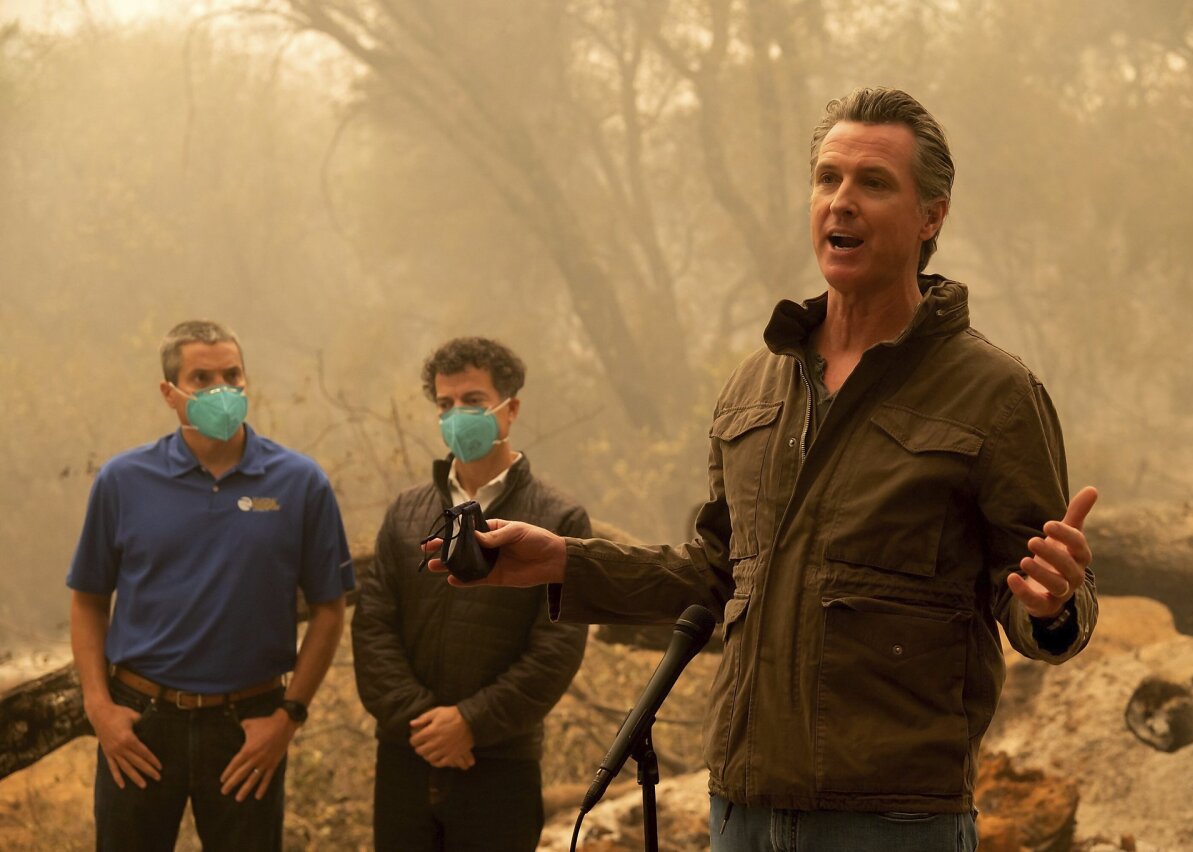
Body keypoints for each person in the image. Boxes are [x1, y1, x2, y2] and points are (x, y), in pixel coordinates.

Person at [428, 88, 1100, 851]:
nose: (842, 201)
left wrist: (1052, 606)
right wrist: (563, 563)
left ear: (931, 217)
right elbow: (715, 577)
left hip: (896, 820)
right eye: (828, 178)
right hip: (741, 810)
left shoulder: (994, 395)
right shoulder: (756, 386)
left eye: (873, 183)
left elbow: (1042, 609)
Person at [67, 320, 354, 851]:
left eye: (232, 374)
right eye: (201, 378)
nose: (221, 389)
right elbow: (88, 599)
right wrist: (100, 709)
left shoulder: (300, 482)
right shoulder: (122, 481)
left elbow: (330, 610)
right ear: (170, 393)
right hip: (140, 725)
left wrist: (288, 717)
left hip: (249, 728)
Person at [352, 336, 591, 852]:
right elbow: (371, 627)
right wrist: (423, 721)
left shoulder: (558, 519)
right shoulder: (405, 513)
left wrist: (470, 723)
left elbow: (556, 649)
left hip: (501, 763)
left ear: (511, 409)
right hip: (404, 757)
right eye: (445, 404)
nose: (457, 414)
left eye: (473, 402)